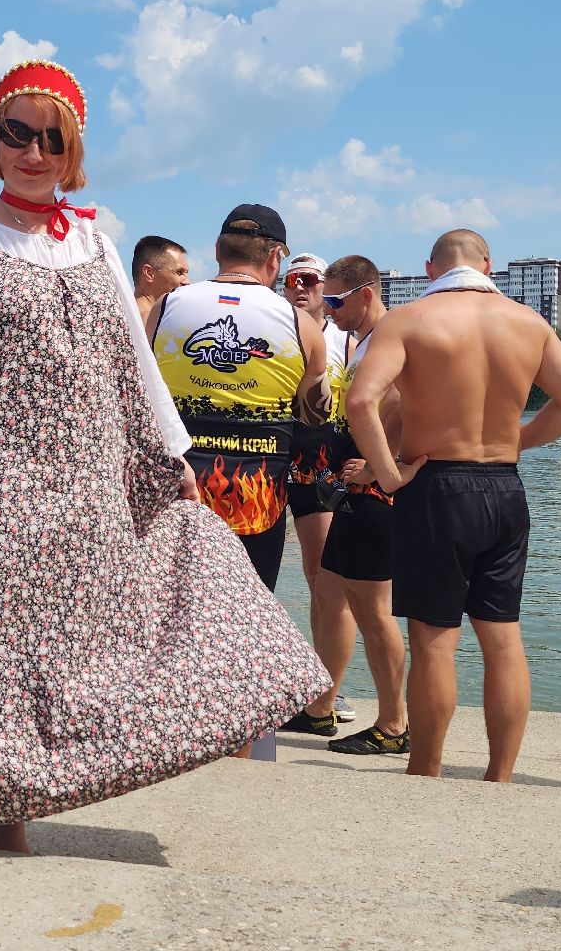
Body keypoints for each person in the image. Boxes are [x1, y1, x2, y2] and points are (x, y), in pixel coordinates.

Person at [0, 59, 328, 855]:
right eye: (18, 132)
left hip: (85, 483)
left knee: (87, 640)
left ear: (73, 150)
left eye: (52, 137)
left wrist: (172, 457)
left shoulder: (94, 241)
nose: (34, 151)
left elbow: (133, 363)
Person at [348, 229, 561, 782]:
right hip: (505, 489)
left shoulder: (409, 319)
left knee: (434, 640)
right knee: (502, 636)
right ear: (488, 264)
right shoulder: (528, 322)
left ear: (432, 268)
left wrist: (388, 476)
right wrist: (518, 442)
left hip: (437, 489)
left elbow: (361, 401)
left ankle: (426, 771)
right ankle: (499, 776)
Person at [150, 204, 328, 590]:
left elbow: (140, 393)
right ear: (274, 256)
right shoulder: (301, 325)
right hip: (257, 498)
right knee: (251, 620)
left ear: (217, 251)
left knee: (168, 619)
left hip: (179, 492)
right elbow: (315, 417)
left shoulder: (165, 308)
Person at [300, 256, 409, 756]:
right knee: (327, 595)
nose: (330, 308)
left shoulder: (393, 337)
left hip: (375, 495)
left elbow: (412, 408)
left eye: (337, 300)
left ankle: (394, 725)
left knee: (374, 613)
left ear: (367, 293)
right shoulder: (363, 342)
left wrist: (380, 466)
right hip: (349, 492)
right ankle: (320, 709)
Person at [279, 251, 358, 731]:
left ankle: (327, 689)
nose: (303, 288)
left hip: (321, 466)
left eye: (313, 280)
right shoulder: (270, 328)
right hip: (267, 457)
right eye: (294, 280)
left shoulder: (344, 340)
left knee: (324, 581)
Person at [131, 235, 190, 324]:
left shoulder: (117, 314)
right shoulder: (159, 322)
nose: (187, 282)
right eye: (179, 272)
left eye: (186, 273)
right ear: (149, 274)